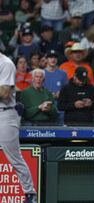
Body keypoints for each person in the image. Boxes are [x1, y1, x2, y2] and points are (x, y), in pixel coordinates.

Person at [0, 52, 37, 202]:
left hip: (5, 114)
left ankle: (30, 194)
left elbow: (4, 93)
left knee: (15, 158)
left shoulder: (6, 63)